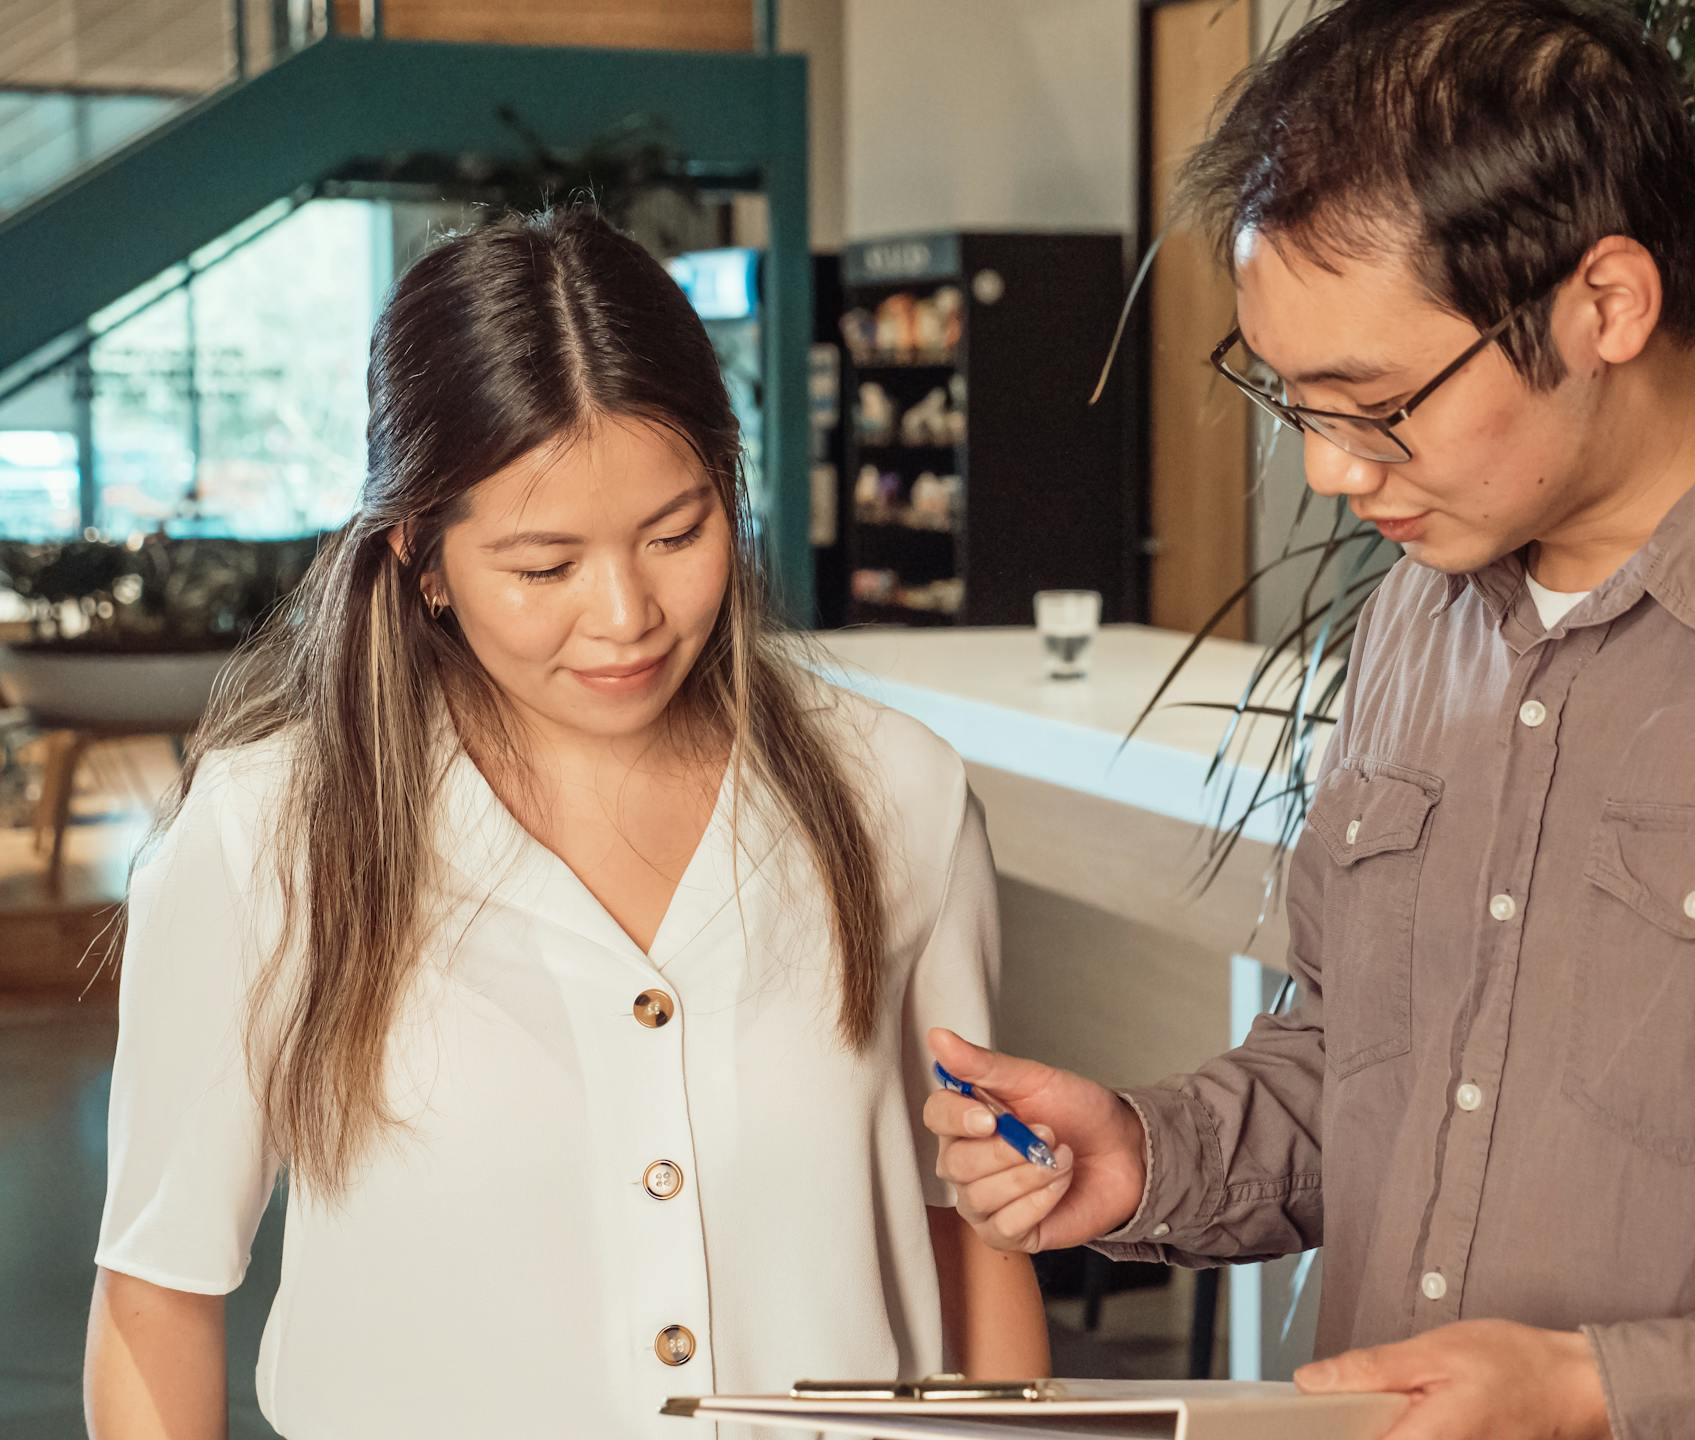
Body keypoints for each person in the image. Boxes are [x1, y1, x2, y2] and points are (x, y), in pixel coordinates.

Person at [924, 1, 1695, 1436]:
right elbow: (1373, 1061)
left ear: (1608, 305)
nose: (1329, 470)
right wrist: (1148, 1155)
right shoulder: (1422, 607)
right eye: (1292, 399)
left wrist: (1604, 1393)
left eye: (1374, 403)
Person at [84, 204, 1047, 1439]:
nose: (626, 615)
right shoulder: (266, 837)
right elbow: (159, 1293)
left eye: (678, 532)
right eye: (544, 567)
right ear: (420, 555)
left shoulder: (893, 795)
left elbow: (964, 1222)